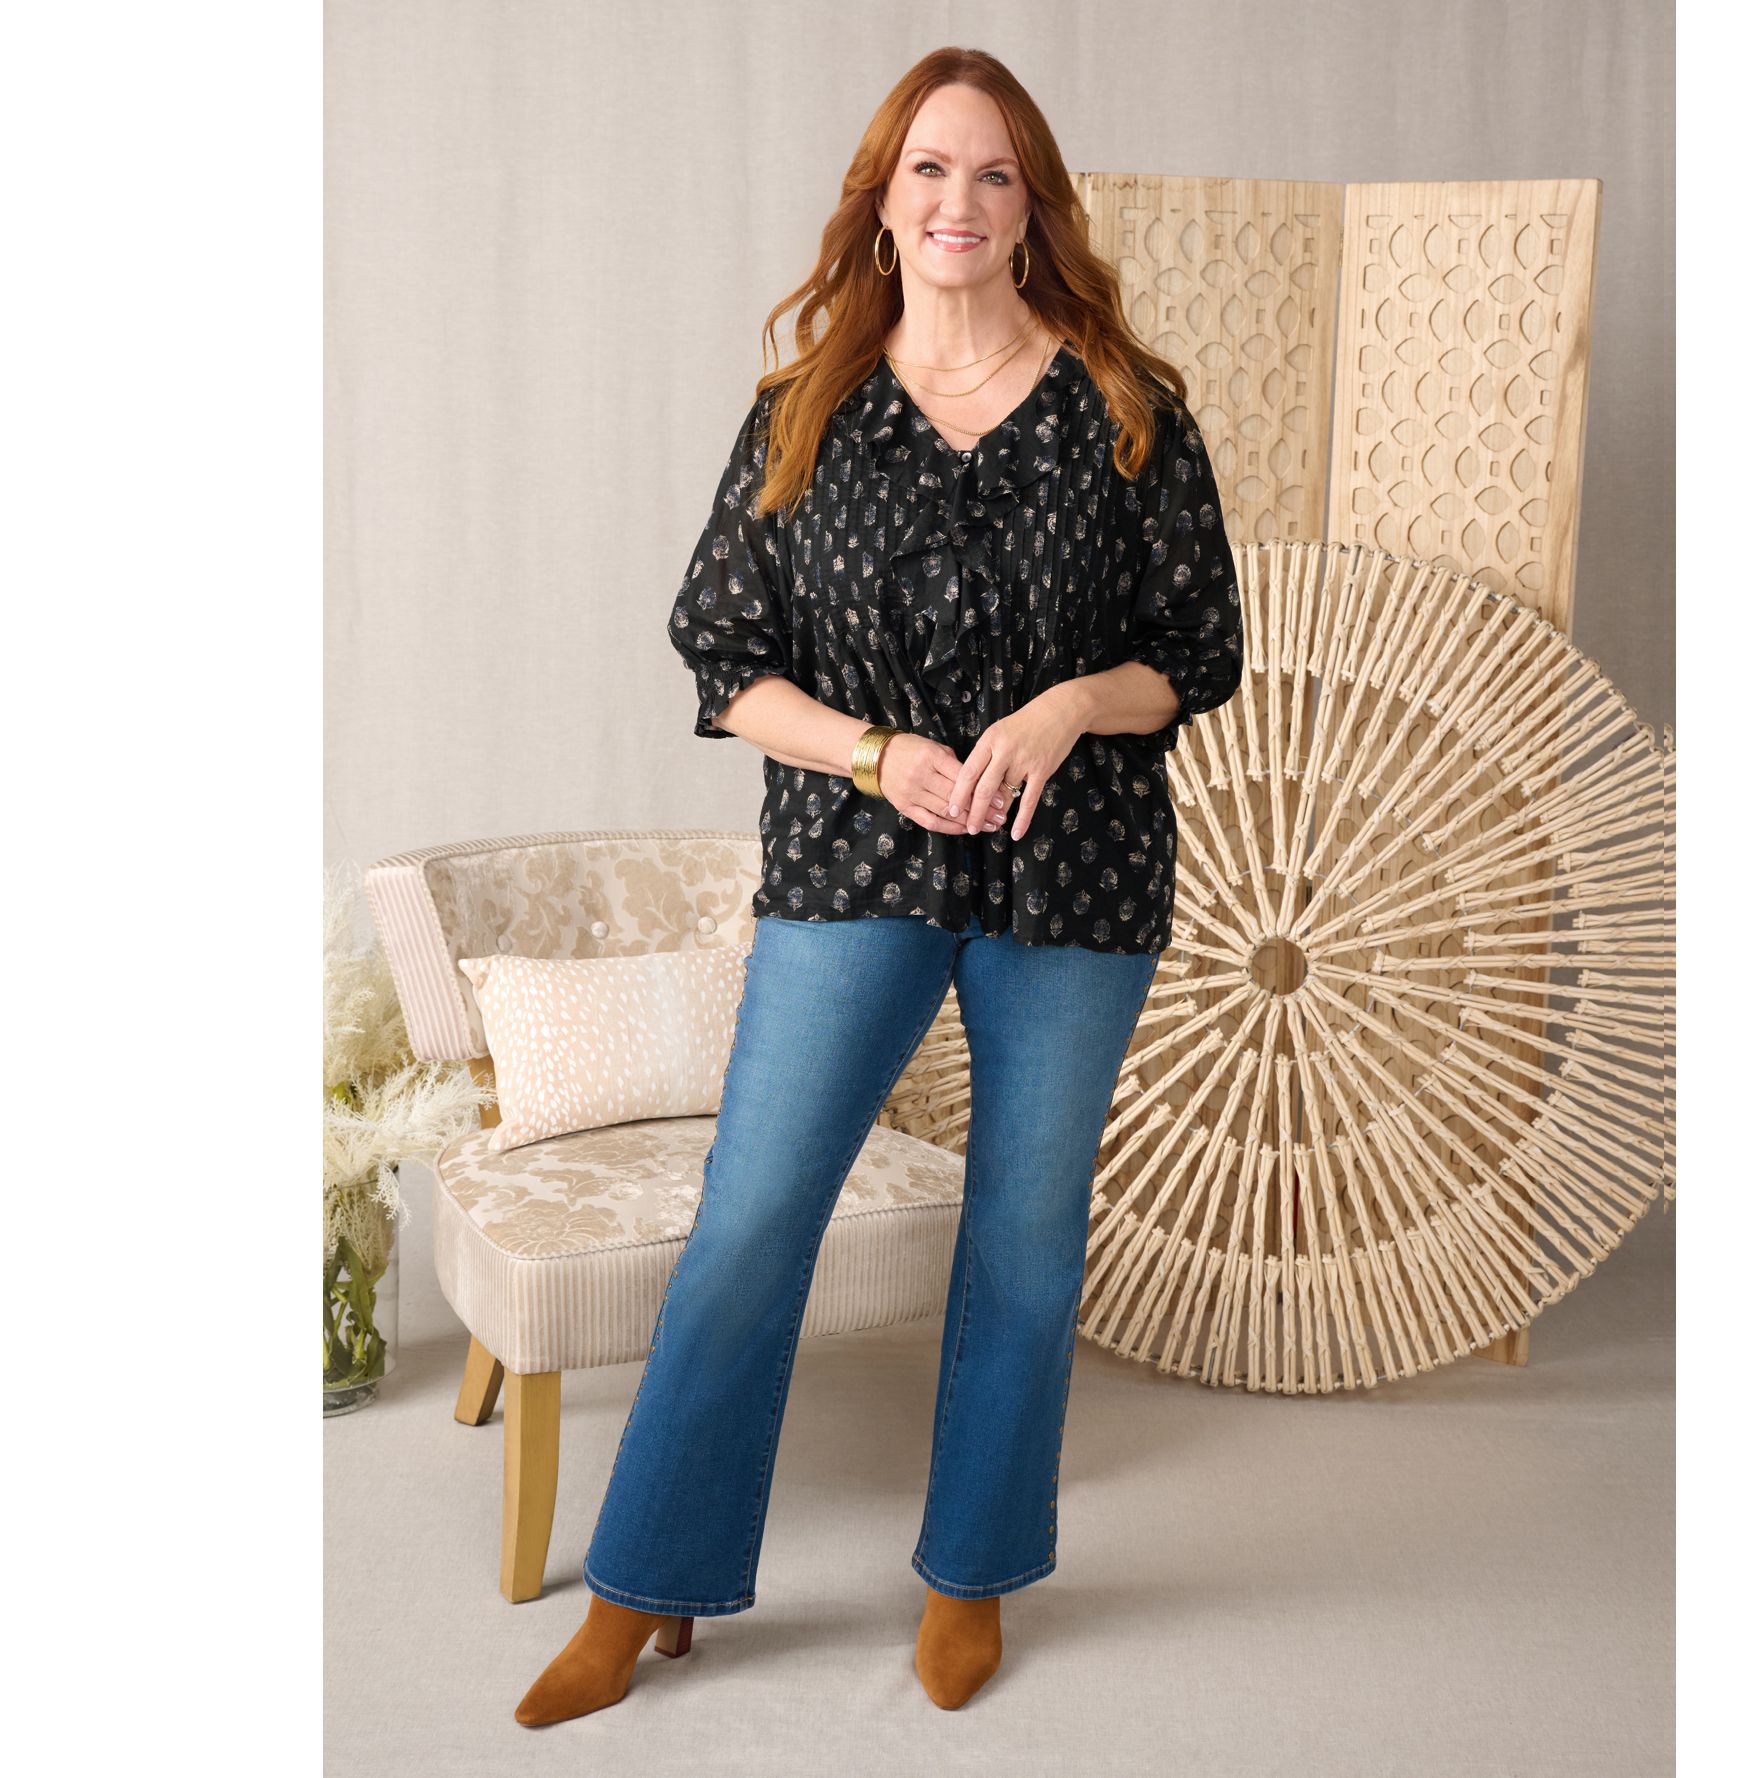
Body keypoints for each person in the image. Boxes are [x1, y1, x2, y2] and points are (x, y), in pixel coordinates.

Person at [515, 46, 1243, 1728]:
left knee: (1027, 1239)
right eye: (929, 169)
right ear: (884, 198)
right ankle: (643, 1583)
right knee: (755, 1214)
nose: (958, 201)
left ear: (1033, 205)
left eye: (993, 173)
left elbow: (1194, 655)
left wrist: (1068, 707)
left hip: (1079, 873)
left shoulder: (1129, 405)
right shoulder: (807, 410)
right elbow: (727, 665)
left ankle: (970, 1570)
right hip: (855, 859)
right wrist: (872, 752)